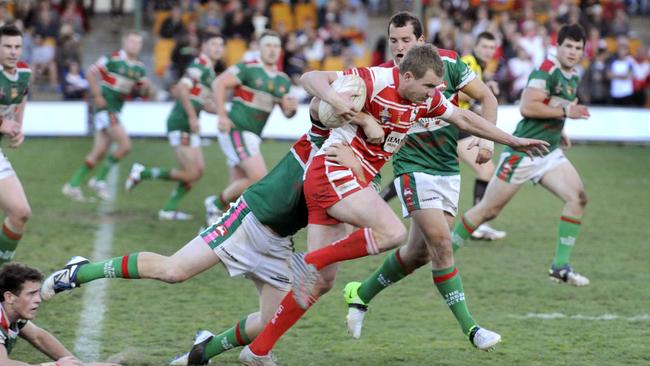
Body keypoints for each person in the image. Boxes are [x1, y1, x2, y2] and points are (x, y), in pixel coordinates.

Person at [239, 44, 549, 365]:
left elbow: (465, 119)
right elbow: (311, 77)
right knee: (392, 233)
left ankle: (254, 350)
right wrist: (342, 106)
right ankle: (310, 258)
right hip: (332, 169)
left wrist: (513, 140)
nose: (432, 94)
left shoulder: (424, 99)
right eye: (428, 86)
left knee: (320, 283)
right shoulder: (374, 79)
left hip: (346, 178)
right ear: (408, 76)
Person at [40, 101, 363, 365]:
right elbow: (316, 86)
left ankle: (202, 351)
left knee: (271, 321)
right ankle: (81, 270)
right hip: (249, 219)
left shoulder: (359, 162)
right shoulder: (323, 134)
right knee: (173, 271)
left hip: (280, 241)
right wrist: (346, 103)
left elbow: (346, 217)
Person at [342, 13, 501, 348]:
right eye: (394, 40)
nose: (399, 48)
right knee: (442, 246)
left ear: (421, 40)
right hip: (411, 167)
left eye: (406, 40)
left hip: (447, 167)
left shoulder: (450, 65)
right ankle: (472, 330)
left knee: (418, 254)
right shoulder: (386, 78)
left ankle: (360, 294)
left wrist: (486, 142)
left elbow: (487, 98)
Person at [450, 24, 591, 287]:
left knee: (578, 198)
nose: (573, 52)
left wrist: (558, 130)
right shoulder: (545, 71)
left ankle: (560, 267)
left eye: (578, 48)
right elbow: (528, 107)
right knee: (487, 211)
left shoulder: (573, 75)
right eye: (568, 46)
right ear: (557, 46)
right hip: (523, 153)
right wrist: (564, 115)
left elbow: (555, 105)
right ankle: (443, 259)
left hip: (548, 151)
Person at [124, 32, 224, 221]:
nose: (218, 48)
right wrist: (193, 117)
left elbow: (201, 102)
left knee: (198, 171)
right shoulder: (199, 65)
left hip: (188, 123)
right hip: (181, 121)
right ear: (204, 47)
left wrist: (222, 113)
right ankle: (143, 173)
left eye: (220, 45)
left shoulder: (209, 71)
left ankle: (168, 209)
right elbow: (181, 89)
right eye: (213, 44)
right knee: (191, 172)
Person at [206, 30, 297, 217]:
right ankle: (214, 204)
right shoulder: (248, 68)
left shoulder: (283, 81)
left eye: (276, 46)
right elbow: (218, 83)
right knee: (258, 177)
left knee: (238, 190)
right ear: (259, 49)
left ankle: (217, 225)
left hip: (253, 136)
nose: (272, 50)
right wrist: (222, 115)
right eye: (268, 46)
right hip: (237, 130)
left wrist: (292, 109)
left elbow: (287, 113)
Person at [62, 31, 150, 202]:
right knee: (125, 145)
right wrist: (98, 95)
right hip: (106, 108)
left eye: (138, 43)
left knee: (99, 151)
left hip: (116, 109)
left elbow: (143, 92)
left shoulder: (140, 67)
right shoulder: (112, 58)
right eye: (132, 41)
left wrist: (147, 86)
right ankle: (99, 180)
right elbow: (90, 73)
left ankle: (72, 185)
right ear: (125, 42)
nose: (135, 45)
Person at [0, 263, 117, 365]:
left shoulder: (14, 315)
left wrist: (80, 365)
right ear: (9, 297)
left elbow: (38, 337)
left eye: (38, 293)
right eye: (31, 294)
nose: (38, 299)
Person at [457, 31, 507, 240]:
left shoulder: (480, 67)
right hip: (454, 125)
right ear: (476, 46)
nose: (488, 51)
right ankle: (477, 224)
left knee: (418, 173)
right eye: (484, 47)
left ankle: (478, 224)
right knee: (487, 170)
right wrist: (481, 98)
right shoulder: (468, 62)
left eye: (491, 48)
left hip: (458, 124)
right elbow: (456, 93)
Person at [0, 25, 32, 264]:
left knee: (20, 213)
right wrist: (3, 123)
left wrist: (18, 127)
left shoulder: (24, 74)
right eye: (7, 46)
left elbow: (23, 95)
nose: (13, 52)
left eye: (17, 46)